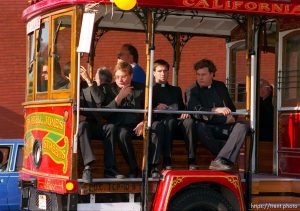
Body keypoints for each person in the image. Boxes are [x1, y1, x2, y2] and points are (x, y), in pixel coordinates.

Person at [186, 59, 249, 171]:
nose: (200, 78)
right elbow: (196, 112)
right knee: (199, 126)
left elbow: (231, 108)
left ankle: (219, 160)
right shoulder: (192, 90)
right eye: (198, 75)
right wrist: (216, 110)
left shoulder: (220, 86)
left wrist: (232, 117)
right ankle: (224, 157)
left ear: (212, 74)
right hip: (207, 127)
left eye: (204, 75)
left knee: (243, 126)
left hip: (224, 126)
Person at [105, 61, 164, 178]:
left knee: (156, 129)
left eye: (123, 76)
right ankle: (133, 168)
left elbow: (152, 108)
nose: (120, 80)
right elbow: (106, 112)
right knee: (122, 133)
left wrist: (145, 121)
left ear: (131, 76)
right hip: (122, 126)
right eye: (117, 77)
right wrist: (120, 97)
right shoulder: (110, 89)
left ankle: (153, 168)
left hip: (140, 124)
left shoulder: (142, 89)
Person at [79, 66, 124, 183]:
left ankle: (110, 169)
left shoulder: (90, 87)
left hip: (95, 124)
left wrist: (89, 81)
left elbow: (99, 100)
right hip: (81, 126)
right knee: (82, 126)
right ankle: (87, 167)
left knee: (110, 127)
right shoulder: (67, 89)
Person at [152, 59, 198, 170]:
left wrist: (185, 112)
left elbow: (181, 107)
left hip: (176, 121)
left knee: (189, 122)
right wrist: (155, 107)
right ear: (154, 73)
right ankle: (167, 159)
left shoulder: (176, 90)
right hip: (161, 123)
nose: (163, 74)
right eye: (159, 71)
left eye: (165, 71)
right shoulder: (150, 90)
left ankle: (192, 160)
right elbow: (147, 109)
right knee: (169, 122)